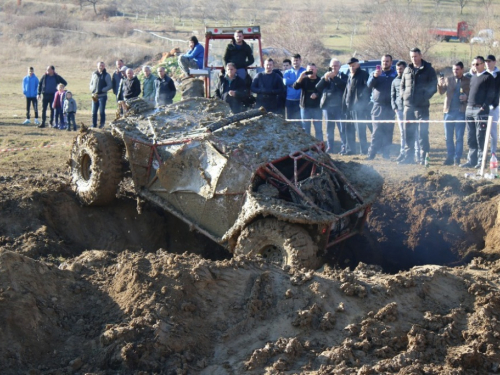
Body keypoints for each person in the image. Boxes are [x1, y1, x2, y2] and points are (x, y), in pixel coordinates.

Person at [399, 47, 437, 164]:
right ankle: (409, 157)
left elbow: (433, 86)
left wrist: (424, 97)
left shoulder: (429, 69)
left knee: (422, 133)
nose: (414, 59)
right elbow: (402, 85)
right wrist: (403, 96)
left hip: (422, 106)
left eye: (415, 56)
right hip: (408, 106)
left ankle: (423, 157)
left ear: (420, 56)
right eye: (411, 57)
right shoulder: (407, 69)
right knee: (408, 133)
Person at [460, 56, 496, 169]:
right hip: (469, 108)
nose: (475, 66)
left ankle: (481, 161)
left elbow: (491, 94)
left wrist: (484, 107)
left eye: (478, 64)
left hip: (480, 110)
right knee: (471, 136)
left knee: (480, 136)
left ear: (483, 64)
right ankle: (471, 160)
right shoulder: (473, 77)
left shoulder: (488, 77)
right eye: (474, 64)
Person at [437, 62, 470, 166]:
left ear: (462, 70)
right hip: (448, 112)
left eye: (457, 69)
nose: (455, 71)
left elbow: (472, 96)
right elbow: (441, 92)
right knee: (448, 137)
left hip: (461, 112)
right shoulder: (448, 79)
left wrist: (467, 98)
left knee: (459, 137)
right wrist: (439, 83)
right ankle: (450, 157)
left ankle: (457, 158)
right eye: (454, 69)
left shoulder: (468, 81)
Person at [366, 54, 398, 160]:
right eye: (383, 61)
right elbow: (369, 85)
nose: (385, 63)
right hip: (377, 106)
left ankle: (386, 154)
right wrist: (375, 76)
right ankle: (371, 154)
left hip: (390, 107)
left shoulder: (395, 74)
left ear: (391, 62)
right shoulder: (375, 73)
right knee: (376, 131)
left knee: (388, 131)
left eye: (387, 61)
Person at [316, 58, 347, 153]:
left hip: (339, 106)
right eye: (332, 66)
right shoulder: (326, 76)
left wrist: (335, 77)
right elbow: (318, 87)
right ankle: (330, 147)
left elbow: (344, 86)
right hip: (327, 107)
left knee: (342, 128)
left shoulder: (343, 76)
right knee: (329, 129)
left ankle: (344, 147)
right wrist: (325, 79)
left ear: (340, 67)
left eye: (336, 66)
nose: (334, 68)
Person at [342, 57, 370, 155]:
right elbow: (347, 90)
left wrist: (361, 101)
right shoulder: (350, 75)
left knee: (360, 130)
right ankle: (350, 149)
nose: (351, 68)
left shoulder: (364, 75)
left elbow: (368, 89)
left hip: (358, 108)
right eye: (350, 66)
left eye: (353, 65)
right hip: (349, 107)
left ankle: (364, 150)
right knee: (349, 130)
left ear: (358, 65)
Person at [392, 61, 415, 161]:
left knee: (414, 133)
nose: (399, 71)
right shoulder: (394, 81)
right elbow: (392, 96)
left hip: (409, 109)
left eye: (400, 69)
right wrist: (394, 107)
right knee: (402, 133)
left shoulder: (409, 80)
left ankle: (417, 154)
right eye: (397, 69)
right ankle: (402, 152)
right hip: (399, 110)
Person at [293, 64, 322, 140]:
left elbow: (323, 92)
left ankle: (320, 147)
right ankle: (308, 147)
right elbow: (295, 87)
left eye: (313, 69)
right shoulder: (304, 79)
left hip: (317, 108)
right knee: (306, 129)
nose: (311, 71)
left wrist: (317, 94)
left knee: (318, 129)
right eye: (309, 69)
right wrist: (300, 77)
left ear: (316, 70)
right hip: (305, 108)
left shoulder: (319, 80)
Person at [283, 54, 306, 120]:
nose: (295, 62)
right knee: (290, 121)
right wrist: (300, 80)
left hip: (301, 99)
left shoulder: (304, 71)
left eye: (297, 60)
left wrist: (292, 82)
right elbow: (285, 82)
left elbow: (305, 82)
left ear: (300, 60)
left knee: (301, 121)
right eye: (294, 60)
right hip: (290, 99)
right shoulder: (287, 72)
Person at [89, 61, 112, 128]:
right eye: (100, 65)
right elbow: (91, 83)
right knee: (94, 112)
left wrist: (103, 90)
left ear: (104, 66)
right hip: (94, 96)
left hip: (102, 96)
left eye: (102, 65)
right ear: (97, 66)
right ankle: (94, 124)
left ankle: (102, 124)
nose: (101, 67)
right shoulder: (94, 74)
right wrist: (92, 89)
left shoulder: (107, 75)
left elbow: (110, 85)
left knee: (101, 112)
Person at [486, 55, 500, 154]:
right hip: (483, 106)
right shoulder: (484, 74)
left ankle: (493, 152)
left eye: (489, 61)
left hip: (495, 106)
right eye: (486, 61)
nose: (487, 63)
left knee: (493, 132)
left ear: (494, 62)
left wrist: (495, 104)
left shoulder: (498, 75)